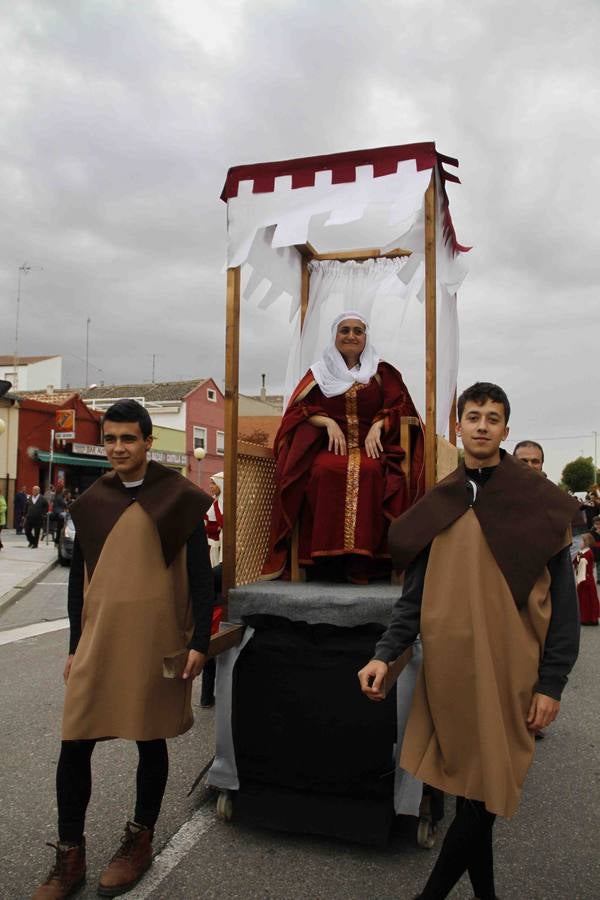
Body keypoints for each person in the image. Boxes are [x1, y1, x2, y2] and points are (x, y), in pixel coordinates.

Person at [358, 382, 579, 900]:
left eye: (493, 417)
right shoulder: (440, 504)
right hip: (450, 671)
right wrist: (384, 653)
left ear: (506, 429)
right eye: (473, 415)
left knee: (486, 793)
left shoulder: (541, 504)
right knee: (470, 792)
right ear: (457, 427)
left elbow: (564, 608)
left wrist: (552, 683)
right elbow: (412, 599)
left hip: (512, 671)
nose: (482, 425)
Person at [34, 399, 215, 900]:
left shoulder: (179, 498)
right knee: (75, 741)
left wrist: (199, 642)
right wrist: (75, 645)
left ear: (148, 442)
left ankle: (140, 838)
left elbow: (202, 578)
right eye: (110, 439)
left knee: (148, 737)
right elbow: (78, 584)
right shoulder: (93, 500)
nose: (117, 448)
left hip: (157, 637)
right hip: (100, 639)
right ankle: (70, 854)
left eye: (128, 439)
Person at [262, 311, 424, 583]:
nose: (351, 336)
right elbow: (296, 410)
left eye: (357, 331)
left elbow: (402, 405)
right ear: (335, 336)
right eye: (345, 330)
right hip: (328, 449)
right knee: (324, 470)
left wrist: (380, 423)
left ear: (365, 337)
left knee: (371, 472)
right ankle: (325, 562)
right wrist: (324, 420)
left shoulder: (381, 371)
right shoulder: (319, 372)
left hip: (372, 449)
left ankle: (363, 562)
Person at [573, 533, 600, 625]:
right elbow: (576, 562)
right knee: (584, 599)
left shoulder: (588, 553)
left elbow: (585, 567)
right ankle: (586, 618)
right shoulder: (582, 552)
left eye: (581, 541)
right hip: (583, 578)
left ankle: (589, 619)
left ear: (586, 543)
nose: (579, 543)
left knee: (587, 600)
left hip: (586, 579)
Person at [204, 472, 224, 567]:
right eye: (210, 483)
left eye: (213, 483)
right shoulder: (214, 501)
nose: (210, 486)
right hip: (211, 544)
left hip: (221, 546)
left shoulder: (223, 502)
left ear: (221, 484)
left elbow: (222, 524)